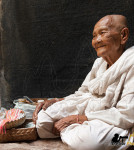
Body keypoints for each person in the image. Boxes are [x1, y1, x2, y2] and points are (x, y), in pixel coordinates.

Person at [33, 15, 134, 150]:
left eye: (102, 33)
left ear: (123, 35)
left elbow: (127, 115)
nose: (96, 41)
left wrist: (78, 119)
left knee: (90, 142)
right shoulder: (99, 63)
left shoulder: (131, 62)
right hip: (94, 114)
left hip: (121, 123)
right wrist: (56, 101)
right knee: (43, 120)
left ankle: (128, 141)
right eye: (94, 36)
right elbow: (83, 93)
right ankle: (73, 131)